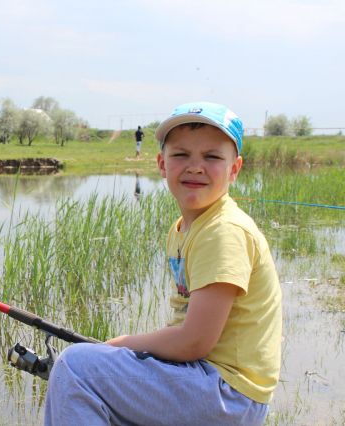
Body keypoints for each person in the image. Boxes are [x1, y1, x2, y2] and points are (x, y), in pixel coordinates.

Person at [44, 101, 282, 426]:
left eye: (212, 157)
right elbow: (183, 326)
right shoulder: (184, 229)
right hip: (207, 382)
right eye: (181, 155)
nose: (195, 166)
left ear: (235, 168)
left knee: (75, 367)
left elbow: (194, 341)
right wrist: (124, 355)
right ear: (161, 164)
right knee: (94, 377)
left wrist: (121, 344)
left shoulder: (223, 231)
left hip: (228, 393)